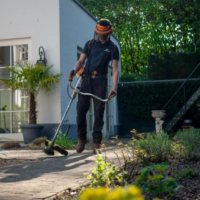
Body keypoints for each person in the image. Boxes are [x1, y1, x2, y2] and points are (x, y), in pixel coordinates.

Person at [68, 19, 120, 154]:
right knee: (80, 111)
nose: (101, 36)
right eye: (99, 33)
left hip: (100, 83)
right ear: (96, 32)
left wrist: (114, 87)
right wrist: (74, 71)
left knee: (98, 113)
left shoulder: (113, 48)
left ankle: (97, 143)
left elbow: (115, 70)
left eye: (104, 33)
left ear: (109, 33)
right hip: (86, 81)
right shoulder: (90, 44)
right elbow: (80, 61)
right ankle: (81, 140)